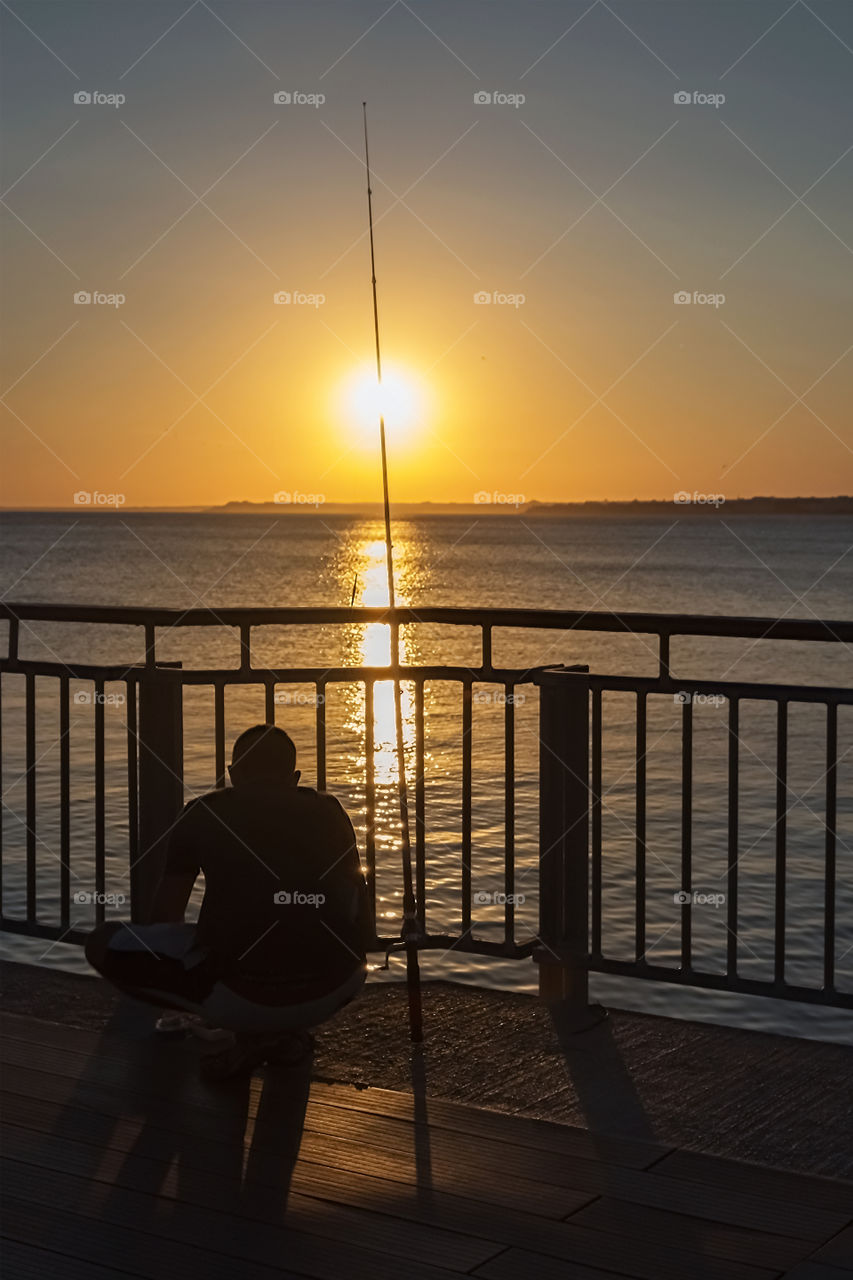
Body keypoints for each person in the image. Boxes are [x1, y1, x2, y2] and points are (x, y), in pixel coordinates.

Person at [85, 723, 374, 1079]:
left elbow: (165, 917)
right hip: (334, 987)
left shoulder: (203, 812)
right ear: (295, 777)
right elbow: (356, 907)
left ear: (232, 774)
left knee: (102, 943)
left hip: (239, 996)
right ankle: (279, 1035)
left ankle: (246, 1030)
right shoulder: (331, 811)